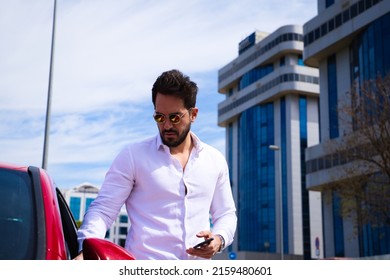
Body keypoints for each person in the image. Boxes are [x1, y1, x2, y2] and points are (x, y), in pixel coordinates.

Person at [75, 69, 237, 260]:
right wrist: (85, 250)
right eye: (160, 117)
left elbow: (226, 214)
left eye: (175, 118)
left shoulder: (214, 160)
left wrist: (218, 240)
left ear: (193, 114)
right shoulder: (133, 156)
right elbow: (103, 211)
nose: (167, 125)